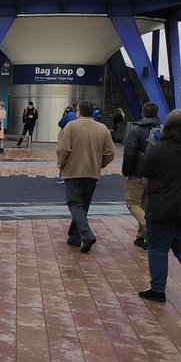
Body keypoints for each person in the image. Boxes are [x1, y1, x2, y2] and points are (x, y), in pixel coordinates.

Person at [136, 109, 181, 305]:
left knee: (158, 249)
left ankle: (158, 290)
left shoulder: (160, 149)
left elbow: (143, 169)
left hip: (162, 209)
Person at [56, 100, 115, 253]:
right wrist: (100, 164)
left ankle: (86, 234)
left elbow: (63, 149)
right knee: (83, 205)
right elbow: (110, 152)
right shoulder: (102, 128)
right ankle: (74, 236)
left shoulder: (71, 126)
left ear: (78, 112)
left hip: (73, 170)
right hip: (92, 172)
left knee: (75, 204)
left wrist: (61, 164)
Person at [122, 102, 161, 250]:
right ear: (157, 114)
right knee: (145, 205)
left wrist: (127, 172)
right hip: (155, 175)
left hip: (138, 173)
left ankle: (150, 230)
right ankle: (141, 237)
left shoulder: (136, 130)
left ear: (143, 113)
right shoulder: (162, 129)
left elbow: (130, 153)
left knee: (132, 203)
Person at [55, 105, 77, 184]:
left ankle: (63, 176)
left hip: (65, 136)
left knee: (63, 154)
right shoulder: (77, 116)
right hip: (76, 137)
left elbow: (60, 123)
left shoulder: (67, 116)